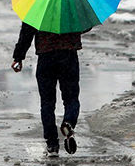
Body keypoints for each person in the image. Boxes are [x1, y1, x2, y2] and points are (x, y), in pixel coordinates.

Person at [11, 22, 82, 157]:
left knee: (47, 103)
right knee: (71, 98)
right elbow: (84, 26)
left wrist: (18, 57)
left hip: (46, 57)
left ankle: (52, 145)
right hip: (69, 55)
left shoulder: (38, 6)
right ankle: (69, 122)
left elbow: (27, 31)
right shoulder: (72, 6)